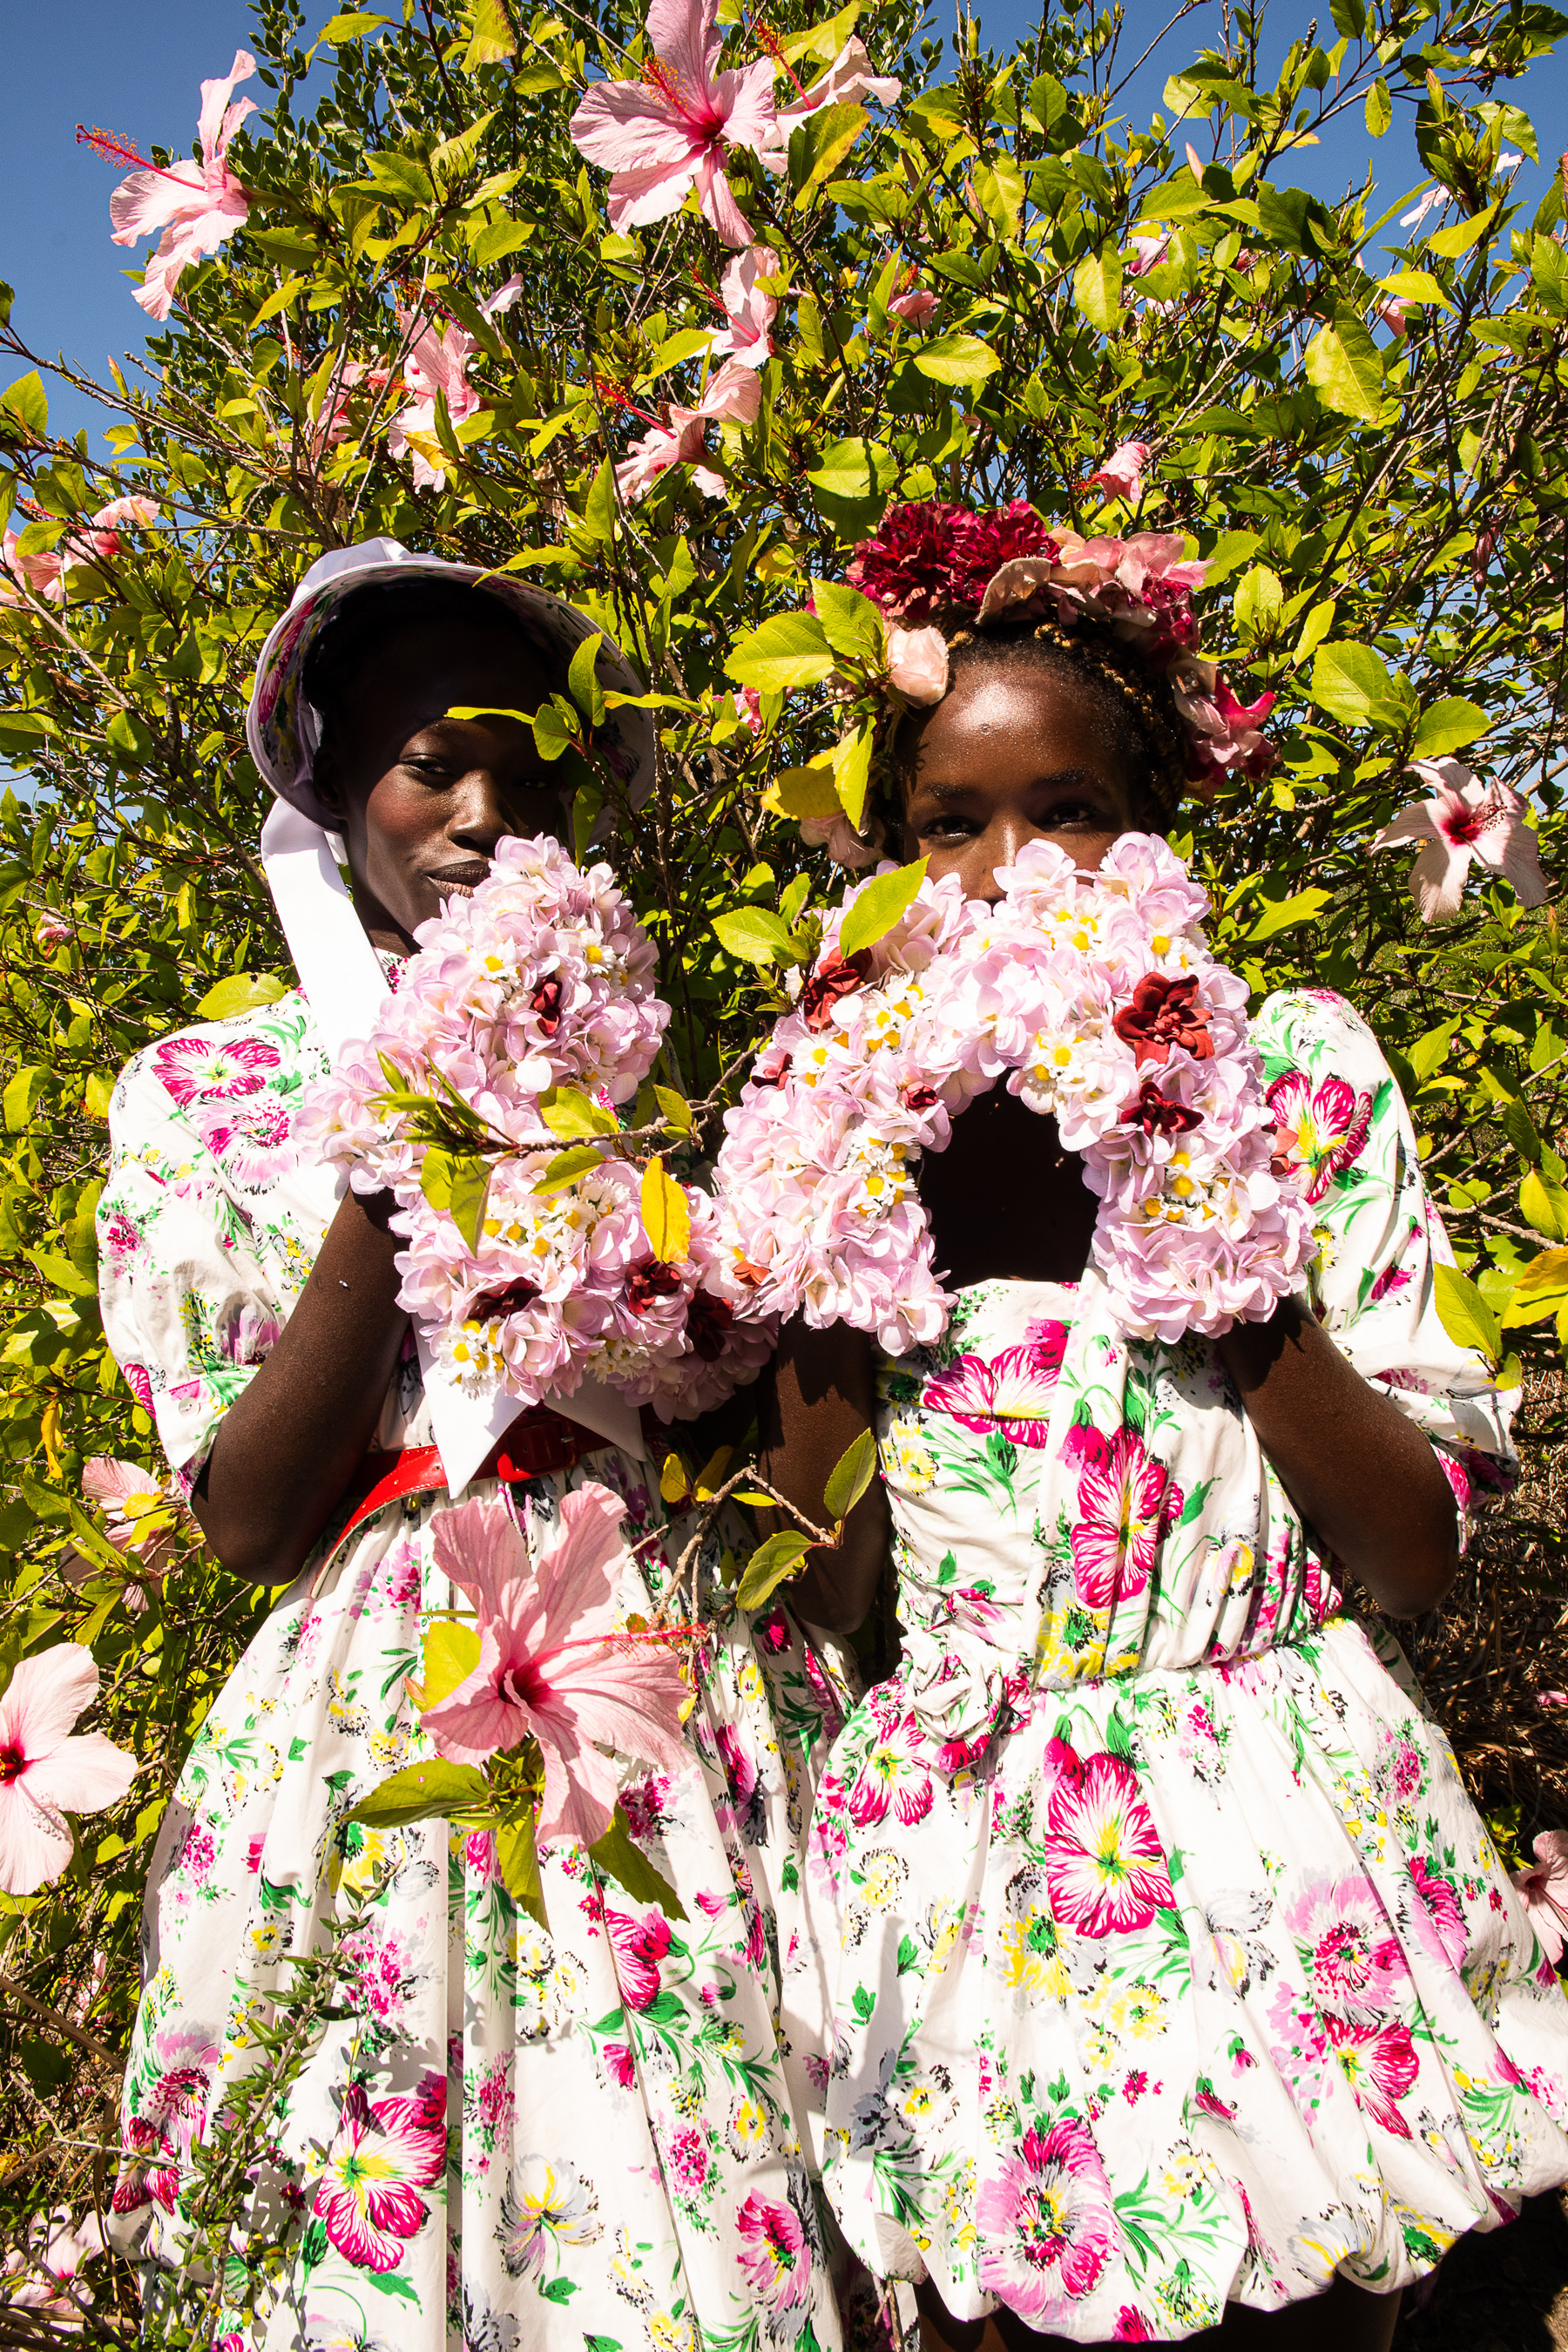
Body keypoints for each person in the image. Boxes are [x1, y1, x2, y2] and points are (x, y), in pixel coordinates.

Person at [758, 504, 1568, 2349]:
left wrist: (1188, 1208)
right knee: (991, 2311)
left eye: (1071, 810)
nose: (1013, 871)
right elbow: (816, 1581)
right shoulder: (851, 1119)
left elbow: (1415, 1544)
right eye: (946, 828)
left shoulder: (1291, 1070)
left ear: (1161, 837)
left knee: (1308, 2308)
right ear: (876, 873)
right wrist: (843, 1217)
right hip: (980, 1858)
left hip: (1279, 1818)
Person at [98, 542, 848, 2352]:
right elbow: (260, 1514)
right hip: (388, 1712)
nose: (483, 811)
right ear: (335, 777)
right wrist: (404, 1142)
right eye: (431, 763)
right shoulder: (207, 1093)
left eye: (525, 766)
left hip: (647, 1676)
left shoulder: (629, 1078)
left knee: (673, 2197)